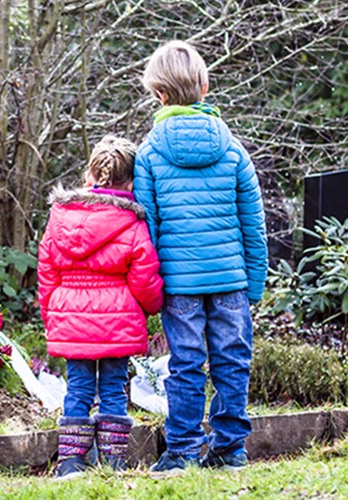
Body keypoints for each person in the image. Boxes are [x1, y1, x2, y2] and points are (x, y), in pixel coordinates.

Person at [133, 41, 268, 474]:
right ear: (206, 87)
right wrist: (256, 280)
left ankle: (183, 449)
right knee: (232, 360)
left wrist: (149, 288)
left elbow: (145, 229)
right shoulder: (233, 150)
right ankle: (229, 447)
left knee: (186, 364)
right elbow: (254, 222)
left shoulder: (150, 153)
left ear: (160, 95)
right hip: (230, 279)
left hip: (179, 285)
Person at [38, 135, 164, 480]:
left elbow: (47, 271)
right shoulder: (133, 224)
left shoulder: (60, 217)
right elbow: (145, 278)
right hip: (118, 321)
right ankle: (112, 460)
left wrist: (52, 314)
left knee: (77, 388)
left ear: (89, 177)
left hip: (71, 317)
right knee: (112, 388)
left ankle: (71, 462)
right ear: (132, 181)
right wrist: (152, 307)